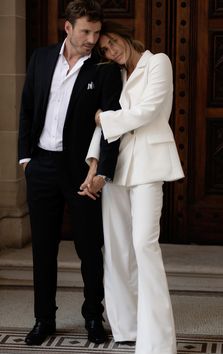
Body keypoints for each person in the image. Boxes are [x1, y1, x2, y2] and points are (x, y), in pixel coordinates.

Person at [18, 2, 122, 346]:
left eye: (96, 31)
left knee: (89, 246)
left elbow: (111, 126)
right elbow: (28, 108)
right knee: (43, 248)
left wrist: (102, 173)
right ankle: (43, 318)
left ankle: (94, 315)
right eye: (85, 31)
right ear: (68, 28)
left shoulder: (104, 69)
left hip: (81, 171)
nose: (92, 39)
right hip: (42, 166)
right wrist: (25, 160)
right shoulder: (41, 58)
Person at [81, 21, 184, 354]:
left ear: (124, 35)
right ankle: (127, 327)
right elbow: (110, 121)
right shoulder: (116, 75)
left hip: (149, 164)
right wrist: (94, 163)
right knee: (117, 248)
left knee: (144, 244)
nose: (111, 51)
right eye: (105, 50)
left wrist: (103, 119)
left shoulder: (159, 62)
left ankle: (158, 341)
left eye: (111, 42)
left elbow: (149, 111)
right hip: (118, 168)